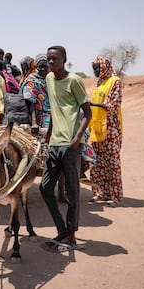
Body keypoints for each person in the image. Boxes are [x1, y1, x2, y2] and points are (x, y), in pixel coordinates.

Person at [39, 45, 91, 251]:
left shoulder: (74, 80)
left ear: (64, 59)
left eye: (55, 59)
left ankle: (71, 235)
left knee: (72, 191)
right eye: (49, 59)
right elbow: (55, 109)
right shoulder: (49, 80)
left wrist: (76, 139)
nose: (51, 62)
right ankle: (62, 229)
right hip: (54, 144)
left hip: (70, 145)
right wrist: (48, 136)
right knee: (45, 188)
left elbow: (87, 113)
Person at [88, 56, 123, 205]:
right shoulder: (100, 82)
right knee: (97, 162)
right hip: (97, 126)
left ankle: (114, 196)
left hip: (111, 127)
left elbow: (113, 104)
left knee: (111, 162)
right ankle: (100, 192)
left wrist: (90, 104)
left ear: (104, 67)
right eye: (94, 68)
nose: (95, 71)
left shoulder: (115, 81)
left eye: (97, 68)